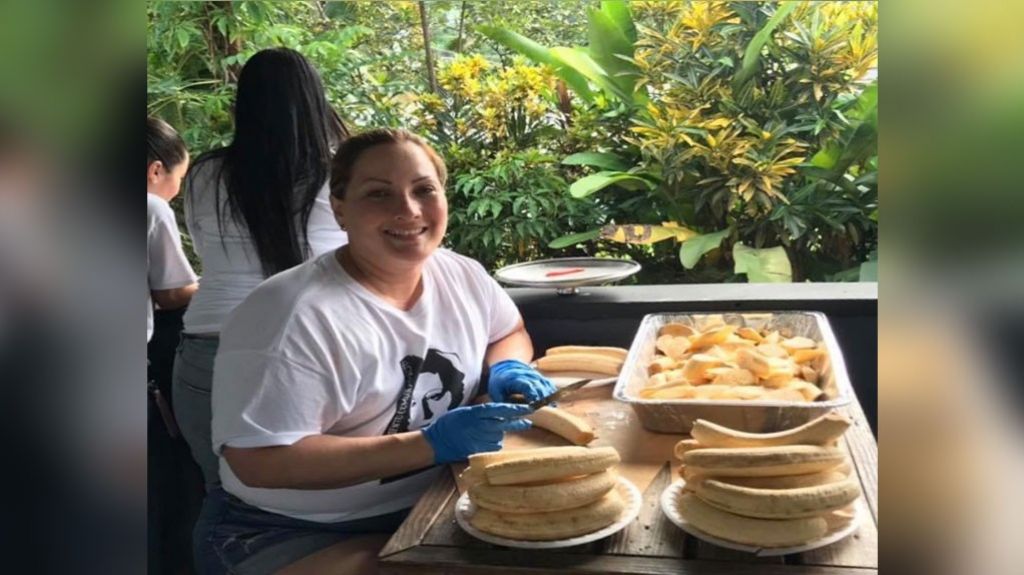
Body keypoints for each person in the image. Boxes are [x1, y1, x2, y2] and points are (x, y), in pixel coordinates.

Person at [195, 128, 556, 575]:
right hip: (291, 530)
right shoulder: (289, 316)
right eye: (378, 194)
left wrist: (507, 365)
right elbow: (259, 461)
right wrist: (429, 444)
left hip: (438, 497)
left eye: (424, 189)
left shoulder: (462, 275)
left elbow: (508, 329)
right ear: (340, 210)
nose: (407, 209)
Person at [173, 47, 349, 490]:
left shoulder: (204, 175)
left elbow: (207, 249)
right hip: (309, 345)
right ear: (315, 99)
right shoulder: (341, 174)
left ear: (243, 104)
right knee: (318, 497)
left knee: (221, 497)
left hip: (207, 348)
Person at [147, 116, 197, 342]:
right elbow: (171, 294)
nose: (178, 188)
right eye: (180, 177)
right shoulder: (152, 207)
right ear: (155, 171)